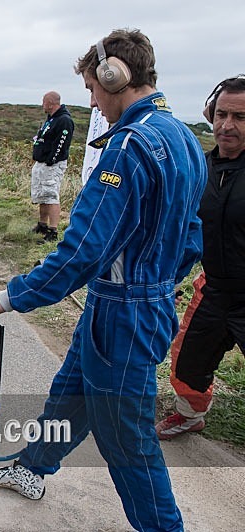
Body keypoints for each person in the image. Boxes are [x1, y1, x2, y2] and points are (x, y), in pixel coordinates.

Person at [0, 29, 206, 532]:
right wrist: (158, 282)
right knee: (72, 391)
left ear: (114, 75)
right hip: (139, 302)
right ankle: (33, 467)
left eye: (94, 89)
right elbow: (192, 235)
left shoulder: (128, 148)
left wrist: (10, 297)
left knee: (127, 441)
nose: (93, 101)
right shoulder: (184, 136)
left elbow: (81, 250)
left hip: (125, 312)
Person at [155, 75, 245, 440]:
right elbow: (180, 229)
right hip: (215, 288)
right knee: (186, 365)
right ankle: (191, 414)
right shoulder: (200, 168)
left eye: (239, 117)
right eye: (221, 114)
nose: (227, 125)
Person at [30, 91, 74, 242]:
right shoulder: (51, 119)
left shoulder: (64, 120)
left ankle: (53, 230)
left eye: (44, 102)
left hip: (53, 165)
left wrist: (51, 160)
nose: (42, 105)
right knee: (42, 195)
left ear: (50, 103)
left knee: (51, 195)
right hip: (42, 163)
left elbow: (61, 144)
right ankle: (42, 224)